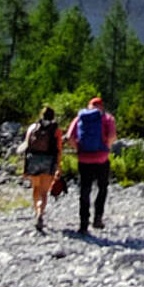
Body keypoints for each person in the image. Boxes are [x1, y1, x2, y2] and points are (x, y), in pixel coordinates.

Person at [62, 95, 117, 235]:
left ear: (89, 106)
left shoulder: (80, 117)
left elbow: (69, 137)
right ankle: (98, 218)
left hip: (84, 159)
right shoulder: (107, 118)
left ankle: (83, 224)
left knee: (84, 190)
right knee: (102, 188)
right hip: (102, 159)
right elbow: (112, 137)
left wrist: (79, 149)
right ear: (101, 106)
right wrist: (106, 148)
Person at [20, 105, 61, 234]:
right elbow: (59, 149)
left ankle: (36, 210)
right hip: (48, 162)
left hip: (33, 161)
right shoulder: (56, 130)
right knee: (44, 191)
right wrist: (58, 167)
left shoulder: (33, 128)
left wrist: (25, 168)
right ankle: (40, 213)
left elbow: (26, 147)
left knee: (36, 188)